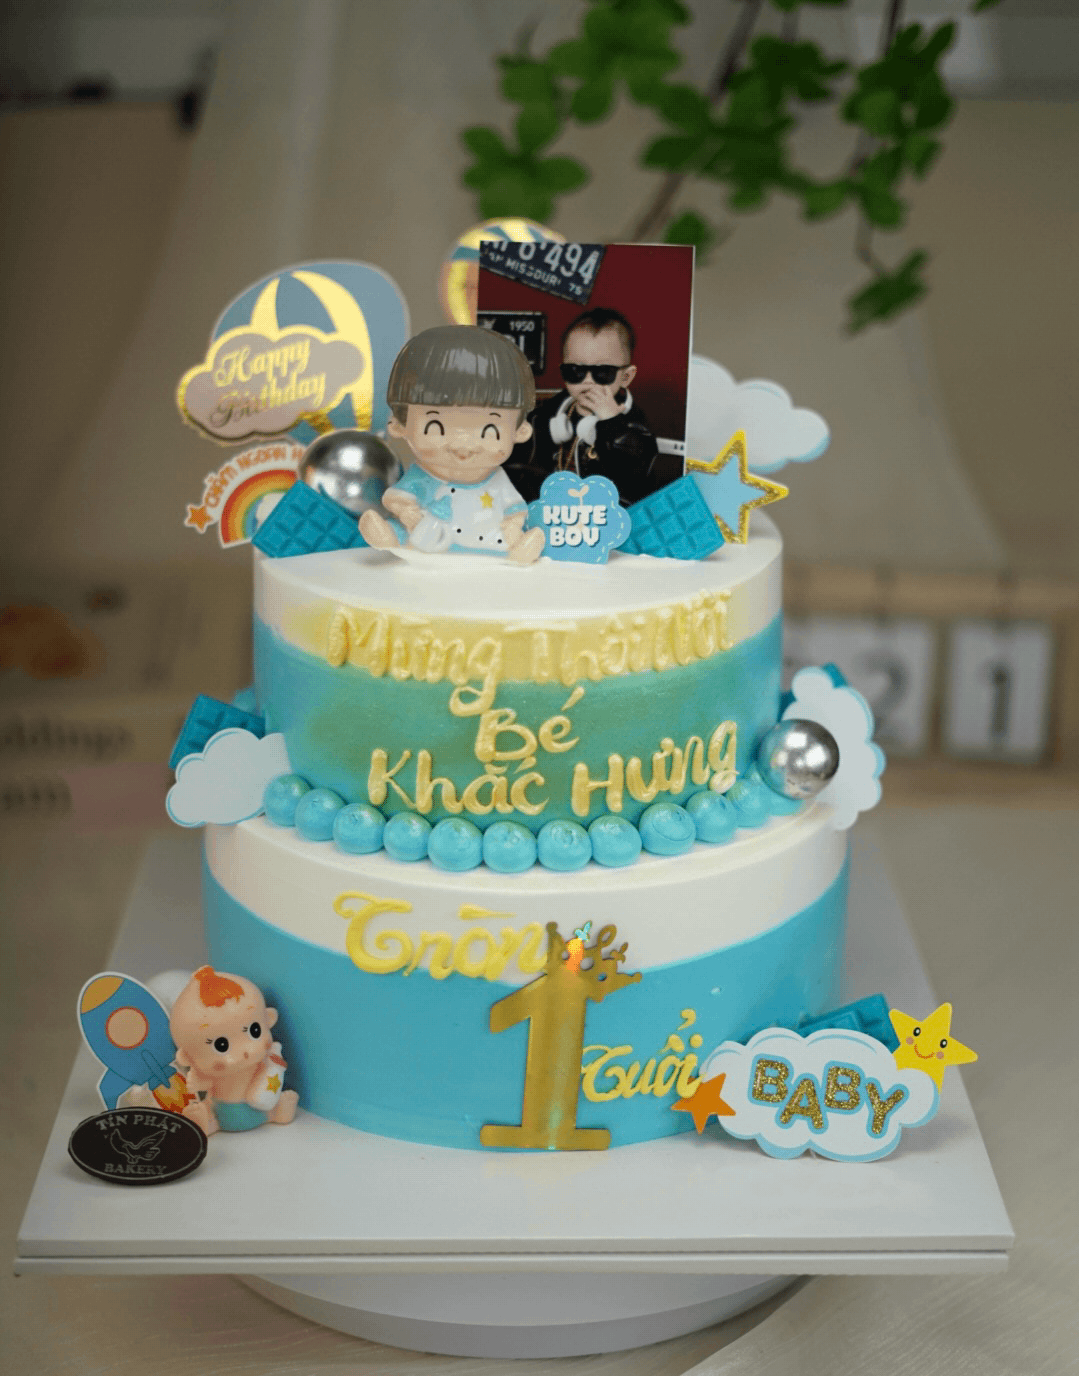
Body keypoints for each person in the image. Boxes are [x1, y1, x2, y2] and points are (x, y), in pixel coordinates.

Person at [360, 325, 545, 563]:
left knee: (512, 539)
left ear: (520, 431)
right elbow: (398, 499)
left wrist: (513, 525)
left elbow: (514, 510)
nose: (462, 446)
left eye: (489, 431)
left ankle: (522, 549)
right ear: (399, 425)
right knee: (403, 533)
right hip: (427, 547)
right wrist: (407, 513)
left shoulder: (497, 481)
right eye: (435, 427)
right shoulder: (423, 478)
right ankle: (387, 536)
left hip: (490, 547)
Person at [506, 307, 660, 506]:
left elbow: (633, 479)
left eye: (603, 372)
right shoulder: (545, 416)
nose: (587, 381)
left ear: (626, 377)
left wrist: (611, 425)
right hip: (551, 512)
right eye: (575, 371)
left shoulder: (634, 427)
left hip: (604, 516)